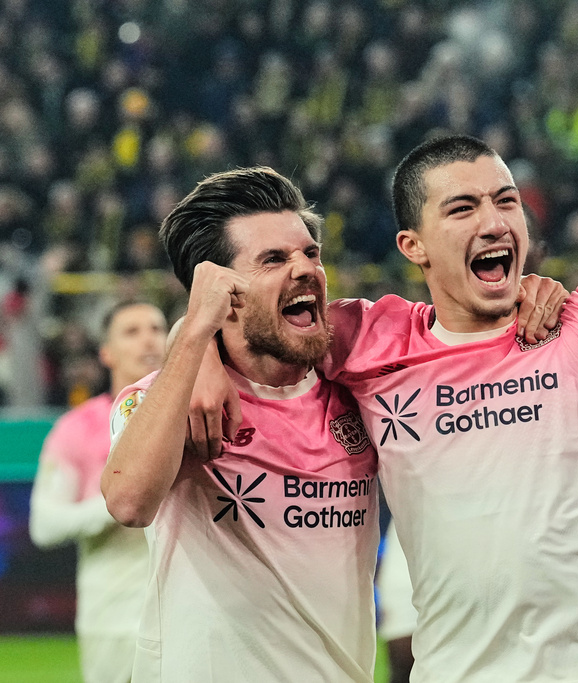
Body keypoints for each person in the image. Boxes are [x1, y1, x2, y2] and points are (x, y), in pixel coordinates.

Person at [193, 21, 578, 682]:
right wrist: (204, 351)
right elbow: (243, 309)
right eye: (462, 209)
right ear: (414, 246)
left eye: (507, 202)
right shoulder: (368, 337)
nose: (493, 222)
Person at [100, 168, 381, 683]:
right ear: (218, 288)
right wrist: (192, 337)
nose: (305, 269)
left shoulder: (359, 387)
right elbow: (128, 502)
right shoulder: (164, 400)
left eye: (310, 252)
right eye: (273, 259)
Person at [376, 393, 578, 683]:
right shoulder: (406, 354)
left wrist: (551, 494)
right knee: (407, 662)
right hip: (428, 552)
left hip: (558, 569)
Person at [29, 301, 167, 683]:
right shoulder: (77, 428)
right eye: (132, 331)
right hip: (113, 619)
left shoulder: (199, 414)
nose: (149, 339)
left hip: (186, 612)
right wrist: (125, 497)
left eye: (157, 328)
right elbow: (45, 525)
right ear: (106, 352)